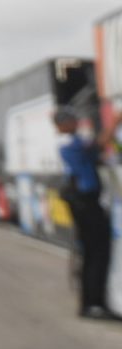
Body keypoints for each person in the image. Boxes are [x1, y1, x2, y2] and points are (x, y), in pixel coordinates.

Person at [57, 108, 115, 319]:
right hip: (84, 203)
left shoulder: (74, 140)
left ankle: (97, 302)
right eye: (70, 119)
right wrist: (114, 122)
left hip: (89, 202)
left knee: (98, 253)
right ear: (62, 124)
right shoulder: (68, 142)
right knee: (94, 253)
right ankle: (91, 305)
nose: (75, 122)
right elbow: (98, 145)